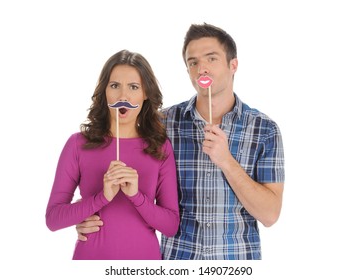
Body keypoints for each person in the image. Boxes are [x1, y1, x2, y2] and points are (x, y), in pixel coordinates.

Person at [76, 23, 285, 260]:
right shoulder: (161, 124)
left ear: (233, 65)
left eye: (211, 59)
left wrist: (226, 161)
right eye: (193, 62)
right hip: (177, 260)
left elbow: (270, 215)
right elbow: (124, 177)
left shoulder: (264, 129)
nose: (201, 69)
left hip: (236, 261)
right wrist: (87, 216)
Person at [45, 50, 179, 260]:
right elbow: (53, 219)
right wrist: (102, 198)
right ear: (105, 91)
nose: (123, 96)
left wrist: (136, 196)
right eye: (115, 85)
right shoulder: (78, 144)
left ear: (145, 93)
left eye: (133, 87)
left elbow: (170, 225)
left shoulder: (160, 148)